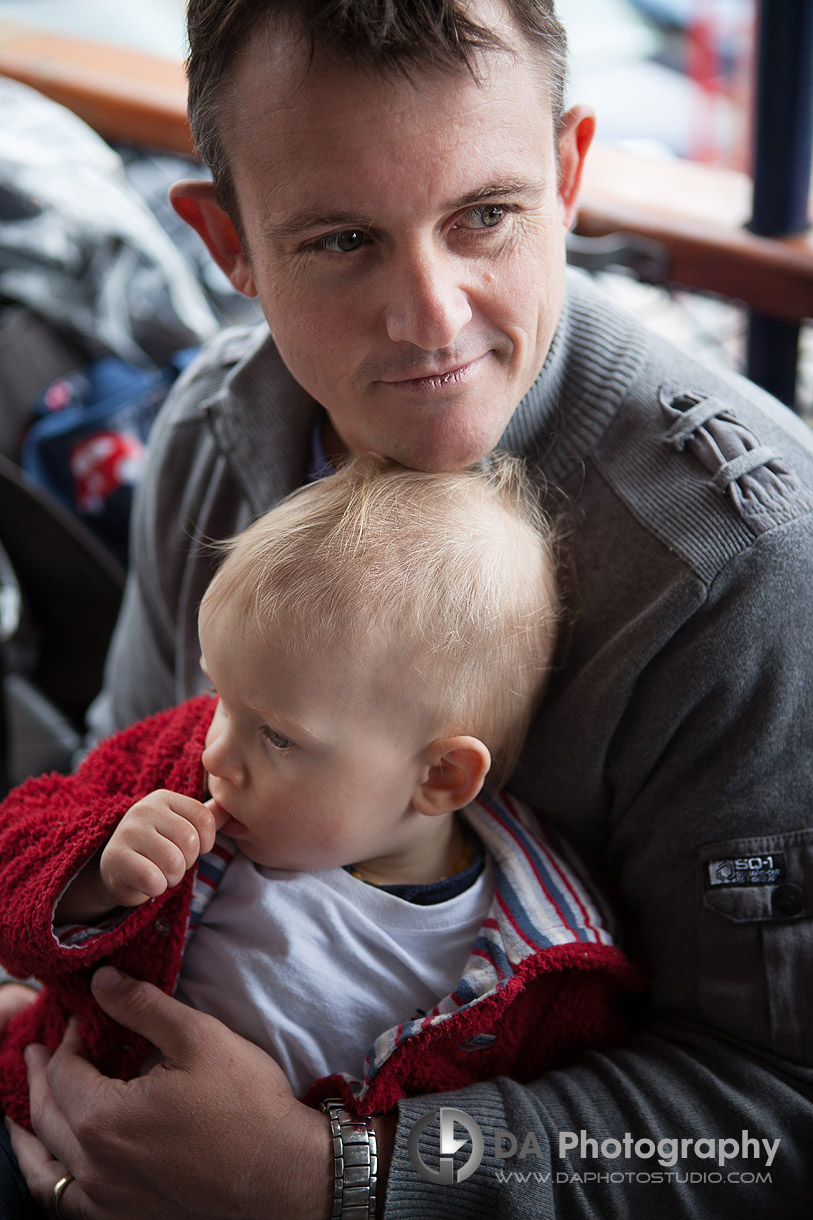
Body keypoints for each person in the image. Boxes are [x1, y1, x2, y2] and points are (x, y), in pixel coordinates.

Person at [7, 0, 813, 1217]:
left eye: (487, 216)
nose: (433, 316)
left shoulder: (745, 576)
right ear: (227, 243)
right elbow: (113, 780)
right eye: (340, 240)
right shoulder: (210, 435)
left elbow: (769, 1127)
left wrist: (346, 1176)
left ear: (570, 171)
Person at [0, 455, 635, 1139]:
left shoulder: (534, 974)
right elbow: (16, 846)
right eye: (220, 695)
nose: (215, 754)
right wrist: (96, 873)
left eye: (276, 736)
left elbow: (526, 1142)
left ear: (440, 777)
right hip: (35, 1119)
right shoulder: (176, 760)